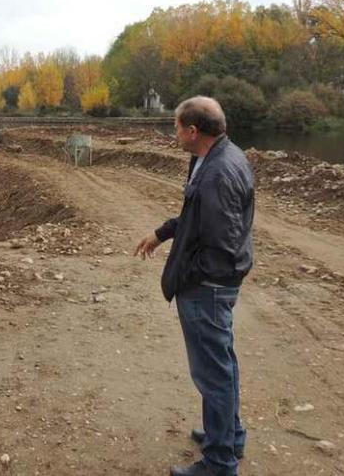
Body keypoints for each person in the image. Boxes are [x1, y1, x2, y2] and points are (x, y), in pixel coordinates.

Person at [134, 96, 255, 476]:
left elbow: (223, 242)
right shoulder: (214, 155)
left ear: (192, 131)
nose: (173, 133)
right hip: (213, 285)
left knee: (213, 374)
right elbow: (195, 216)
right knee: (223, 366)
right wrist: (165, 232)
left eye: (175, 127)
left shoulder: (219, 172)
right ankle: (228, 436)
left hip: (208, 287)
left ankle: (220, 463)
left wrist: (191, 277)